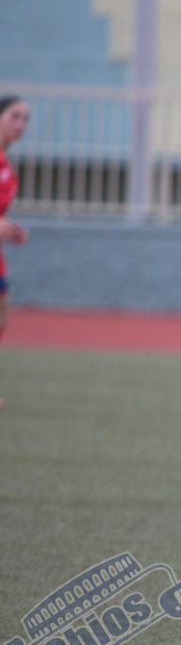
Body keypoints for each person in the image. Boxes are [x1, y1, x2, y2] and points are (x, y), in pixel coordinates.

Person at [0, 97, 31, 413]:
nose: (20, 124)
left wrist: (11, 230)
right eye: (14, 116)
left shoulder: (8, 169)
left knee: (2, 318)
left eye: (25, 119)